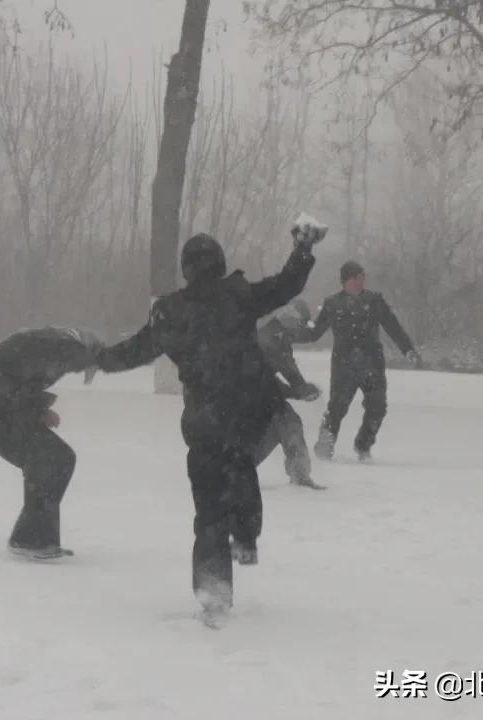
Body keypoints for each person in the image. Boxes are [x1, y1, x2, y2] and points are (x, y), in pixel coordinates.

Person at [96, 219, 325, 626]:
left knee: (208, 509)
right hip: (245, 414)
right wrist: (302, 251)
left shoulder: (170, 312)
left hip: (204, 421)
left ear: (186, 269)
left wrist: (98, 359)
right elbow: (285, 286)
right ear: (219, 263)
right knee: (242, 477)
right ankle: (246, 538)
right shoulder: (238, 296)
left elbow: (135, 350)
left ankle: (214, 590)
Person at [0, 326, 103, 560]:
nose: (81, 370)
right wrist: (38, 410)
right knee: (49, 457)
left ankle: (37, 538)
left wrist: (38, 409)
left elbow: (16, 380)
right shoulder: (58, 348)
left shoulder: (47, 345)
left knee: (59, 457)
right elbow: (5, 385)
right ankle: (30, 540)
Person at [296, 260, 421, 463]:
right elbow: (314, 333)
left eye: (362, 278)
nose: (360, 282)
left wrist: (408, 350)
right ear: (345, 281)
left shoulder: (375, 301)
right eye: (355, 278)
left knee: (377, 407)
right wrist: (289, 332)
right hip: (343, 366)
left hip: (372, 365)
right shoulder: (332, 304)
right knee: (337, 408)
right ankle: (324, 446)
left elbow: (393, 327)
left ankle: (363, 445)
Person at [252, 298, 325, 490]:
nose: (301, 329)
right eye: (301, 323)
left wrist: (302, 388)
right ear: (290, 317)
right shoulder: (267, 337)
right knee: (285, 422)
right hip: (247, 396)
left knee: (285, 423)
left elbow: (289, 369)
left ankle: (299, 472)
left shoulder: (281, 337)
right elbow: (265, 381)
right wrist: (298, 391)